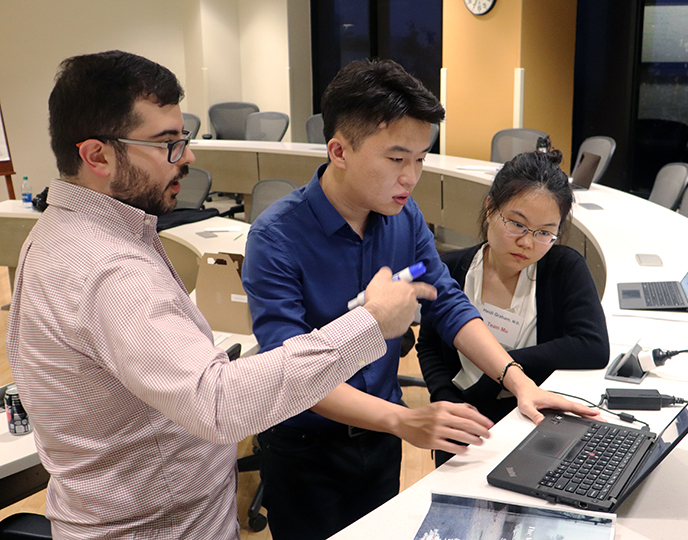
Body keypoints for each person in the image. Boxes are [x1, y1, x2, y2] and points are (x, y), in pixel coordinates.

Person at [5, 50, 435, 540]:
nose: (187, 157)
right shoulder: (108, 270)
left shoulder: (69, 232)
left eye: (183, 139)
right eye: (167, 144)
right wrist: (372, 323)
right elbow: (218, 406)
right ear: (97, 155)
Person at [241, 58, 599, 540]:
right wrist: (404, 418)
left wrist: (516, 380)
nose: (411, 177)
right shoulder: (276, 238)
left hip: (383, 440)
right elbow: (292, 372)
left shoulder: (403, 219)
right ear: (339, 150)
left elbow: (447, 303)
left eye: (421, 159)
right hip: (307, 447)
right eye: (396, 159)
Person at [416, 150, 610, 466]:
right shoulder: (450, 269)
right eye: (517, 225)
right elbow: (428, 345)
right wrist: (445, 397)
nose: (528, 243)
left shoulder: (563, 267)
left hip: (533, 421)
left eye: (545, 232)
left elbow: (593, 346)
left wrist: (498, 372)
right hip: (462, 421)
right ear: (491, 208)